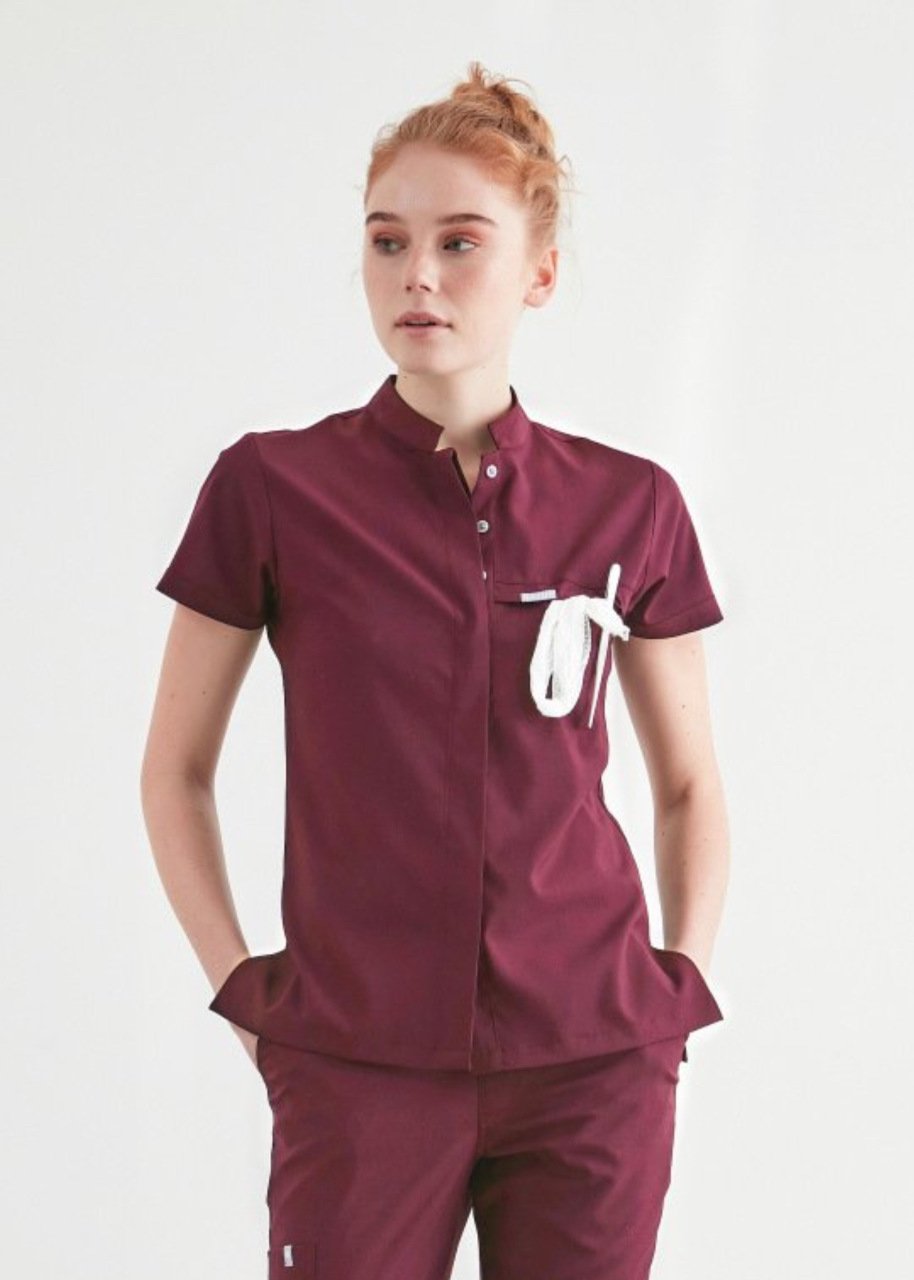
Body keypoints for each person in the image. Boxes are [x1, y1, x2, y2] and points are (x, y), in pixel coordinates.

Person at [141, 61, 730, 1280]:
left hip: (593, 1058)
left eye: (459, 242)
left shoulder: (630, 502)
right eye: (387, 240)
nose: (417, 274)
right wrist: (247, 991)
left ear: (539, 272)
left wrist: (676, 988)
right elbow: (175, 770)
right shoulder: (272, 489)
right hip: (354, 1058)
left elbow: (687, 786)